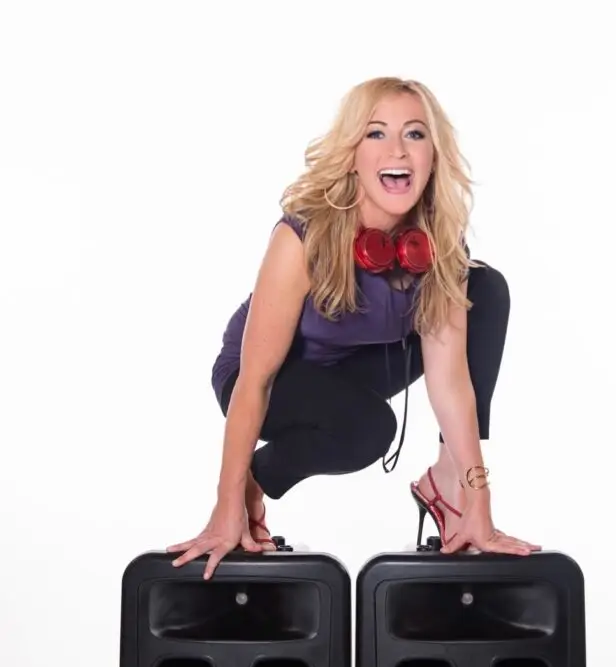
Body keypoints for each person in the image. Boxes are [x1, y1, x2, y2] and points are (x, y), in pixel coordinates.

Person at [168, 76, 540, 580]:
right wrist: (226, 502)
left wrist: (479, 503)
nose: (398, 150)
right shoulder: (302, 237)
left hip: (354, 371)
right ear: (351, 153)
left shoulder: (438, 247)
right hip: (266, 380)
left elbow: (451, 385)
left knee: (484, 289)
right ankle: (257, 480)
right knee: (369, 431)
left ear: (434, 152)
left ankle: (444, 481)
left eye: (415, 134)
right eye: (376, 134)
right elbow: (255, 379)